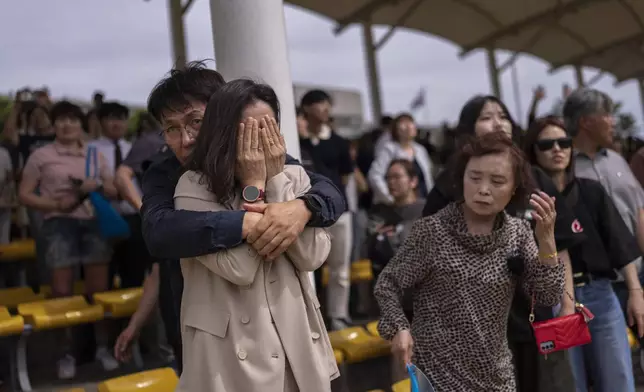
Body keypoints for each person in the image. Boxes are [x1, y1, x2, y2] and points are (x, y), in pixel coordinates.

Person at [140, 61, 345, 370]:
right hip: (200, 319)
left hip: (276, 315)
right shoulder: (164, 174)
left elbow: (330, 194)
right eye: (171, 128)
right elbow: (159, 232)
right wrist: (247, 221)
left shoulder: (264, 156)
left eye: (196, 121)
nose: (186, 140)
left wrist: (302, 208)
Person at [375, 132, 565, 392]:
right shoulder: (432, 231)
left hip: (496, 377)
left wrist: (547, 242)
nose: (483, 189)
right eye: (474, 178)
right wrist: (399, 327)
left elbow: (548, 295)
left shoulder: (519, 233)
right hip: (436, 376)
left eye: (497, 181)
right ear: (461, 179)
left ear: (513, 190)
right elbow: (388, 284)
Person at [422, 95, 580, 392]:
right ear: (469, 129)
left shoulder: (535, 178)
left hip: (537, 319)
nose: (498, 122)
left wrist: (567, 305)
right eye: (487, 116)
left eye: (503, 115)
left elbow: (560, 247)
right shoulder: (450, 183)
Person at [523, 116, 642, 392]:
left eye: (564, 142)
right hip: (553, 302)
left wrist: (636, 292)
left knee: (619, 380)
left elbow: (619, 244)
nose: (557, 149)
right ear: (533, 151)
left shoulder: (592, 190)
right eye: (547, 144)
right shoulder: (528, 199)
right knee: (569, 383)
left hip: (599, 293)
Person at [18, 101, 119, 379]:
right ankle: (65, 353)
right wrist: (53, 204)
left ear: (81, 125)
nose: (67, 125)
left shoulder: (95, 154)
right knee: (62, 291)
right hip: (58, 225)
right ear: (53, 124)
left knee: (99, 289)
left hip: (93, 224)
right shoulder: (41, 155)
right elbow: (24, 194)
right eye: (61, 120)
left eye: (73, 120)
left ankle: (100, 347)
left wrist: (95, 186)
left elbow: (112, 188)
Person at [563, 89, 644, 335]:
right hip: (599, 289)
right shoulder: (564, 169)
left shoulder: (617, 161)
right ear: (586, 122)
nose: (613, 121)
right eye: (607, 114)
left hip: (638, 277)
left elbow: (639, 211)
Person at [298, 89, 354, 330]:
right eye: (319, 104)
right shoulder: (298, 142)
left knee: (340, 267)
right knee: (309, 267)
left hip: (340, 214)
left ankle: (338, 314)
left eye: (326, 105)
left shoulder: (339, 142)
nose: (325, 109)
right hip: (308, 214)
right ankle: (312, 316)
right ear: (307, 109)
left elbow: (346, 175)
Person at [368, 113, 433, 204]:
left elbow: (427, 178)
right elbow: (375, 175)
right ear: (396, 130)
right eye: (404, 123)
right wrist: (389, 198)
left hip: (421, 202)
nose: (408, 126)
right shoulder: (389, 149)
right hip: (398, 205)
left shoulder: (420, 150)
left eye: (411, 123)